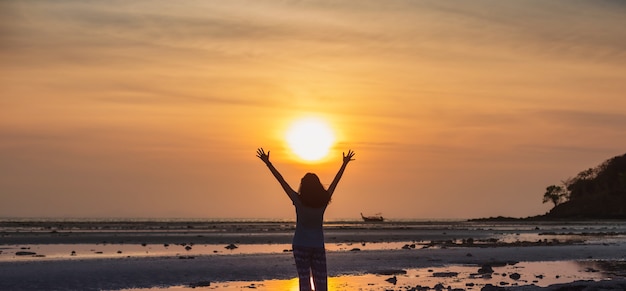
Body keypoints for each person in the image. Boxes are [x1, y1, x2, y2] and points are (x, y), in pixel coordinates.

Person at [256, 148, 356, 291]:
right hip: (317, 246)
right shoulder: (323, 201)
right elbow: (335, 181)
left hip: (300, 245)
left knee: (304, 283)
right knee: (321, 283)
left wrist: (268, 163)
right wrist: (344, 164)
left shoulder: (298, 200)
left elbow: (282, 181)